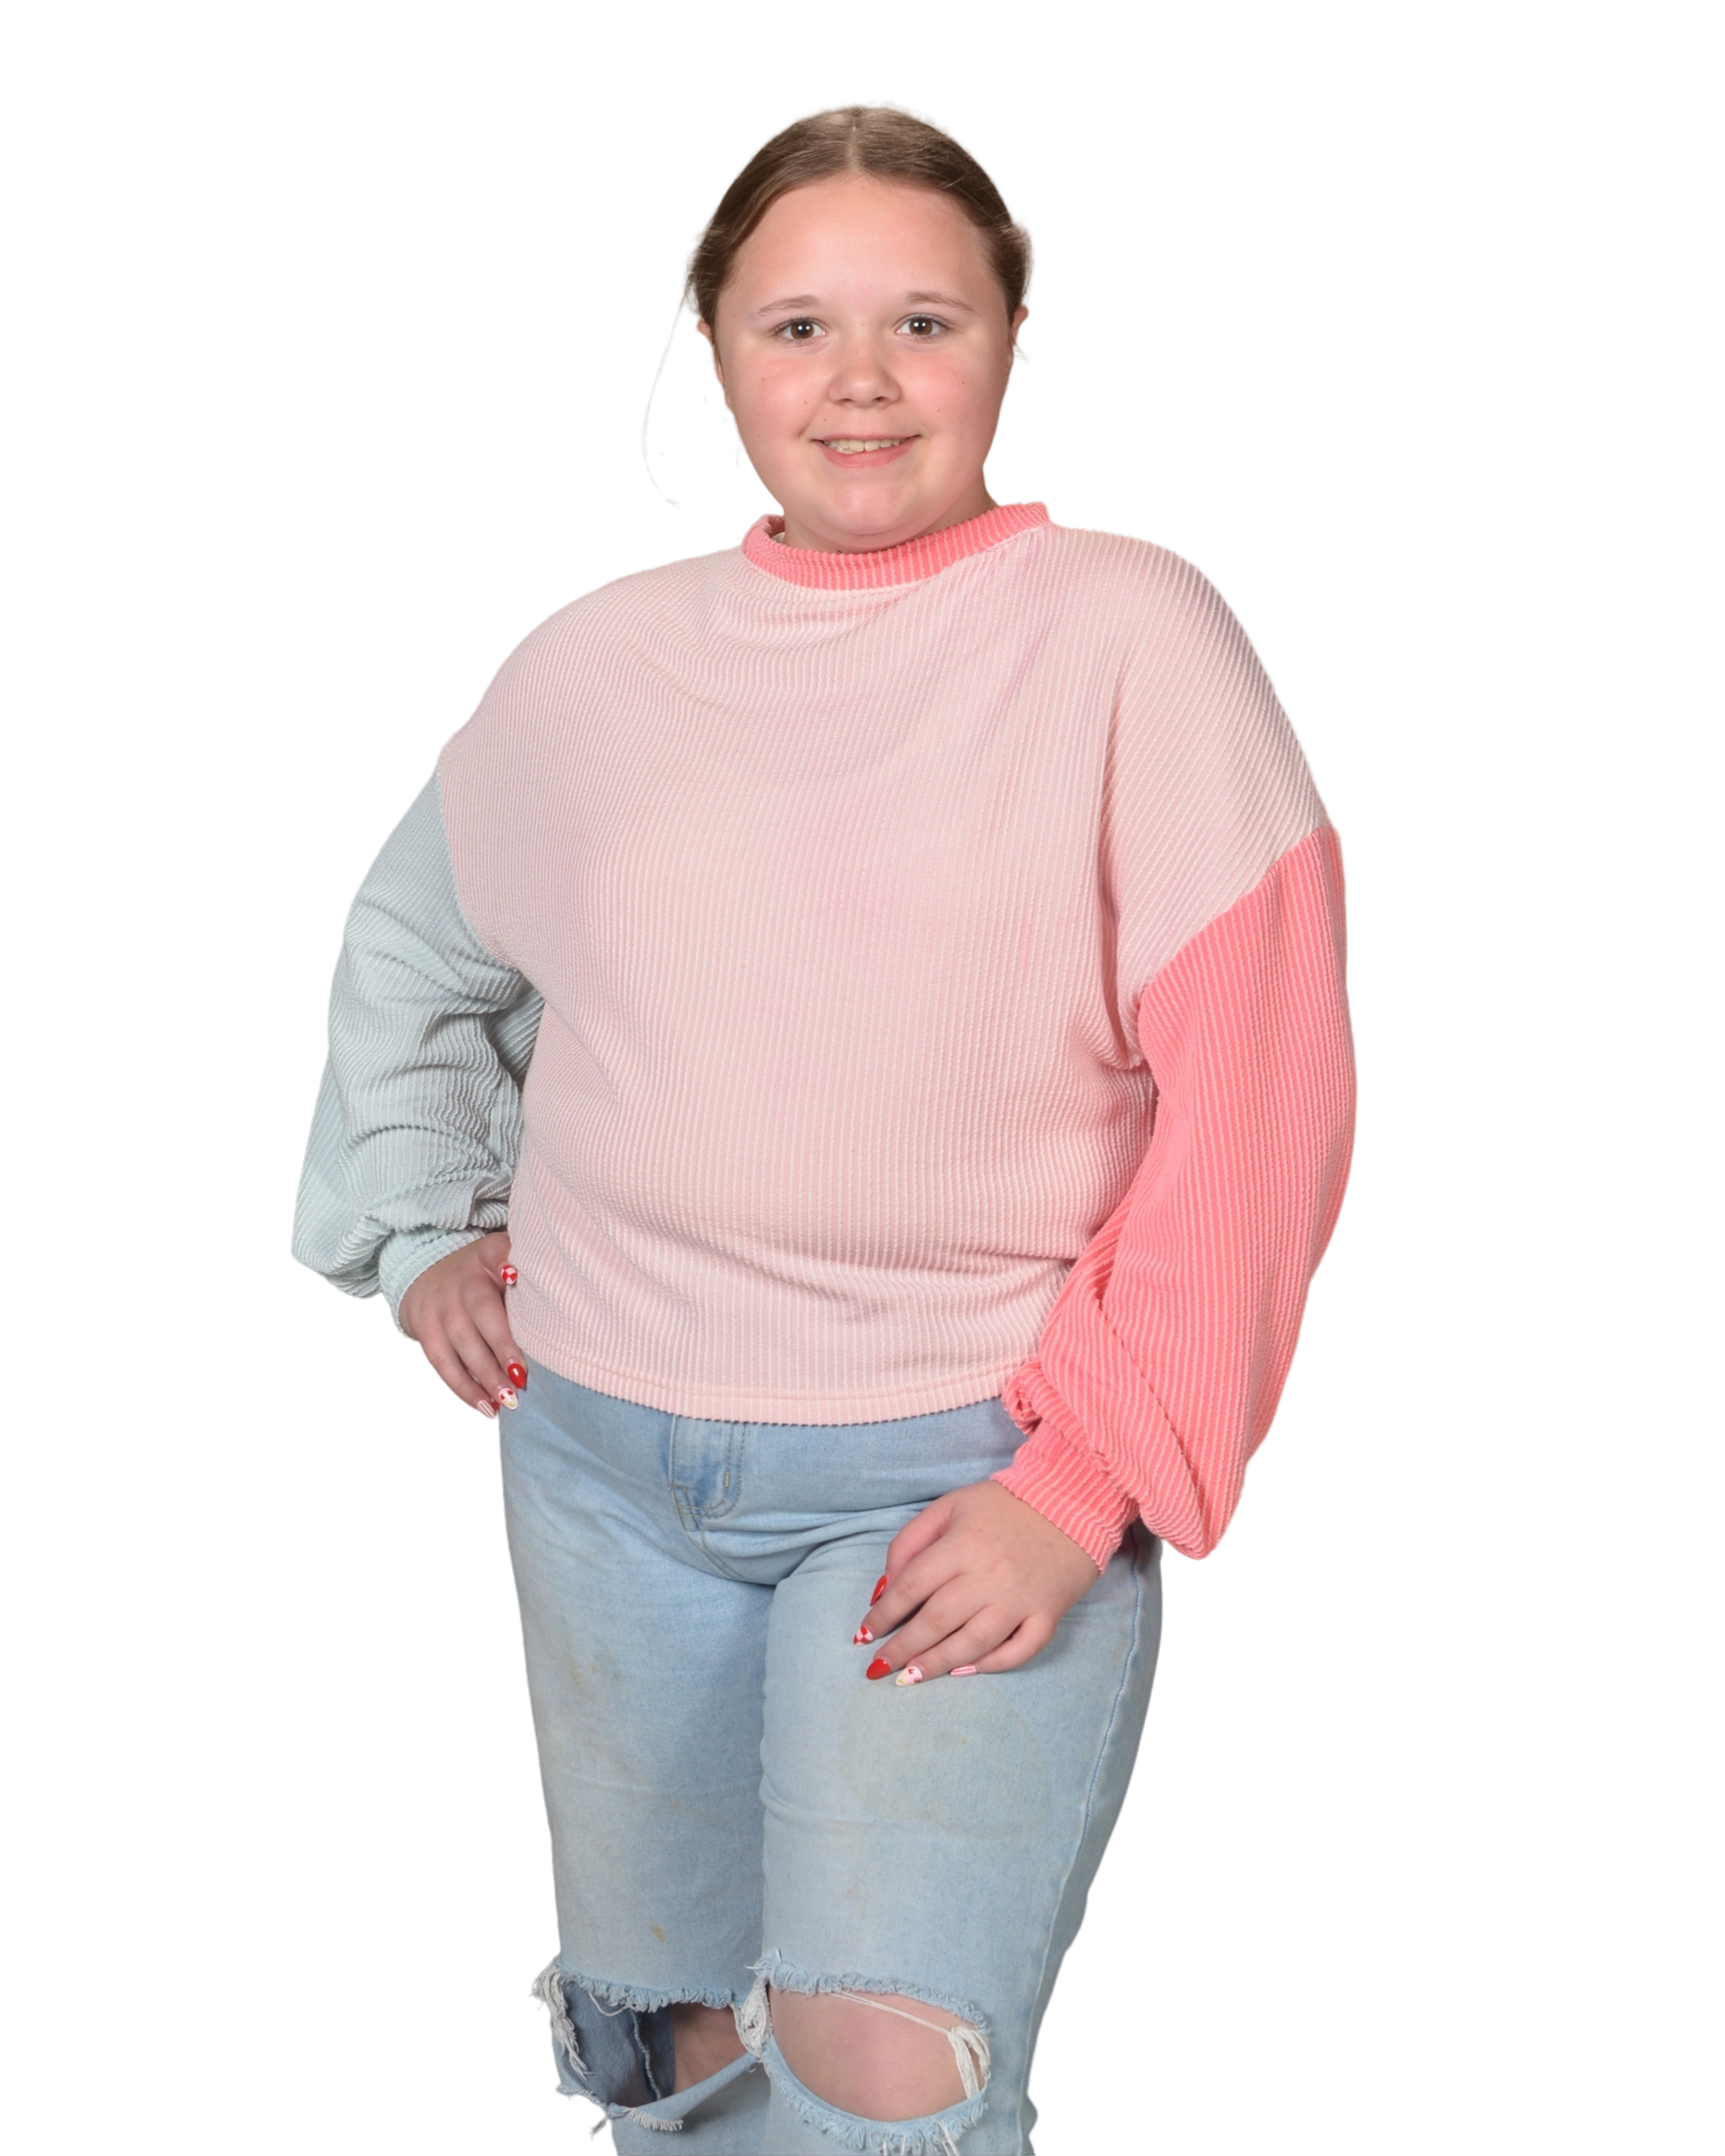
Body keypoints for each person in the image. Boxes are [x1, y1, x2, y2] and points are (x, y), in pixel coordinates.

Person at [288, 93, 1359, 2156]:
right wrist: (422, 1225)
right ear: (715, 357)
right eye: (797, 327)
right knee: (671, 2041)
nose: (859, 381)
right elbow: (413, 951)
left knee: (882, 2066)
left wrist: (1088, 1477)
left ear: (1012, 342)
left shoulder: (1132, 638)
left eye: (923, 323)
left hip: (958, 1474)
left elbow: (1265, 1096)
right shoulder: (594, 668)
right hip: (601, 1465)